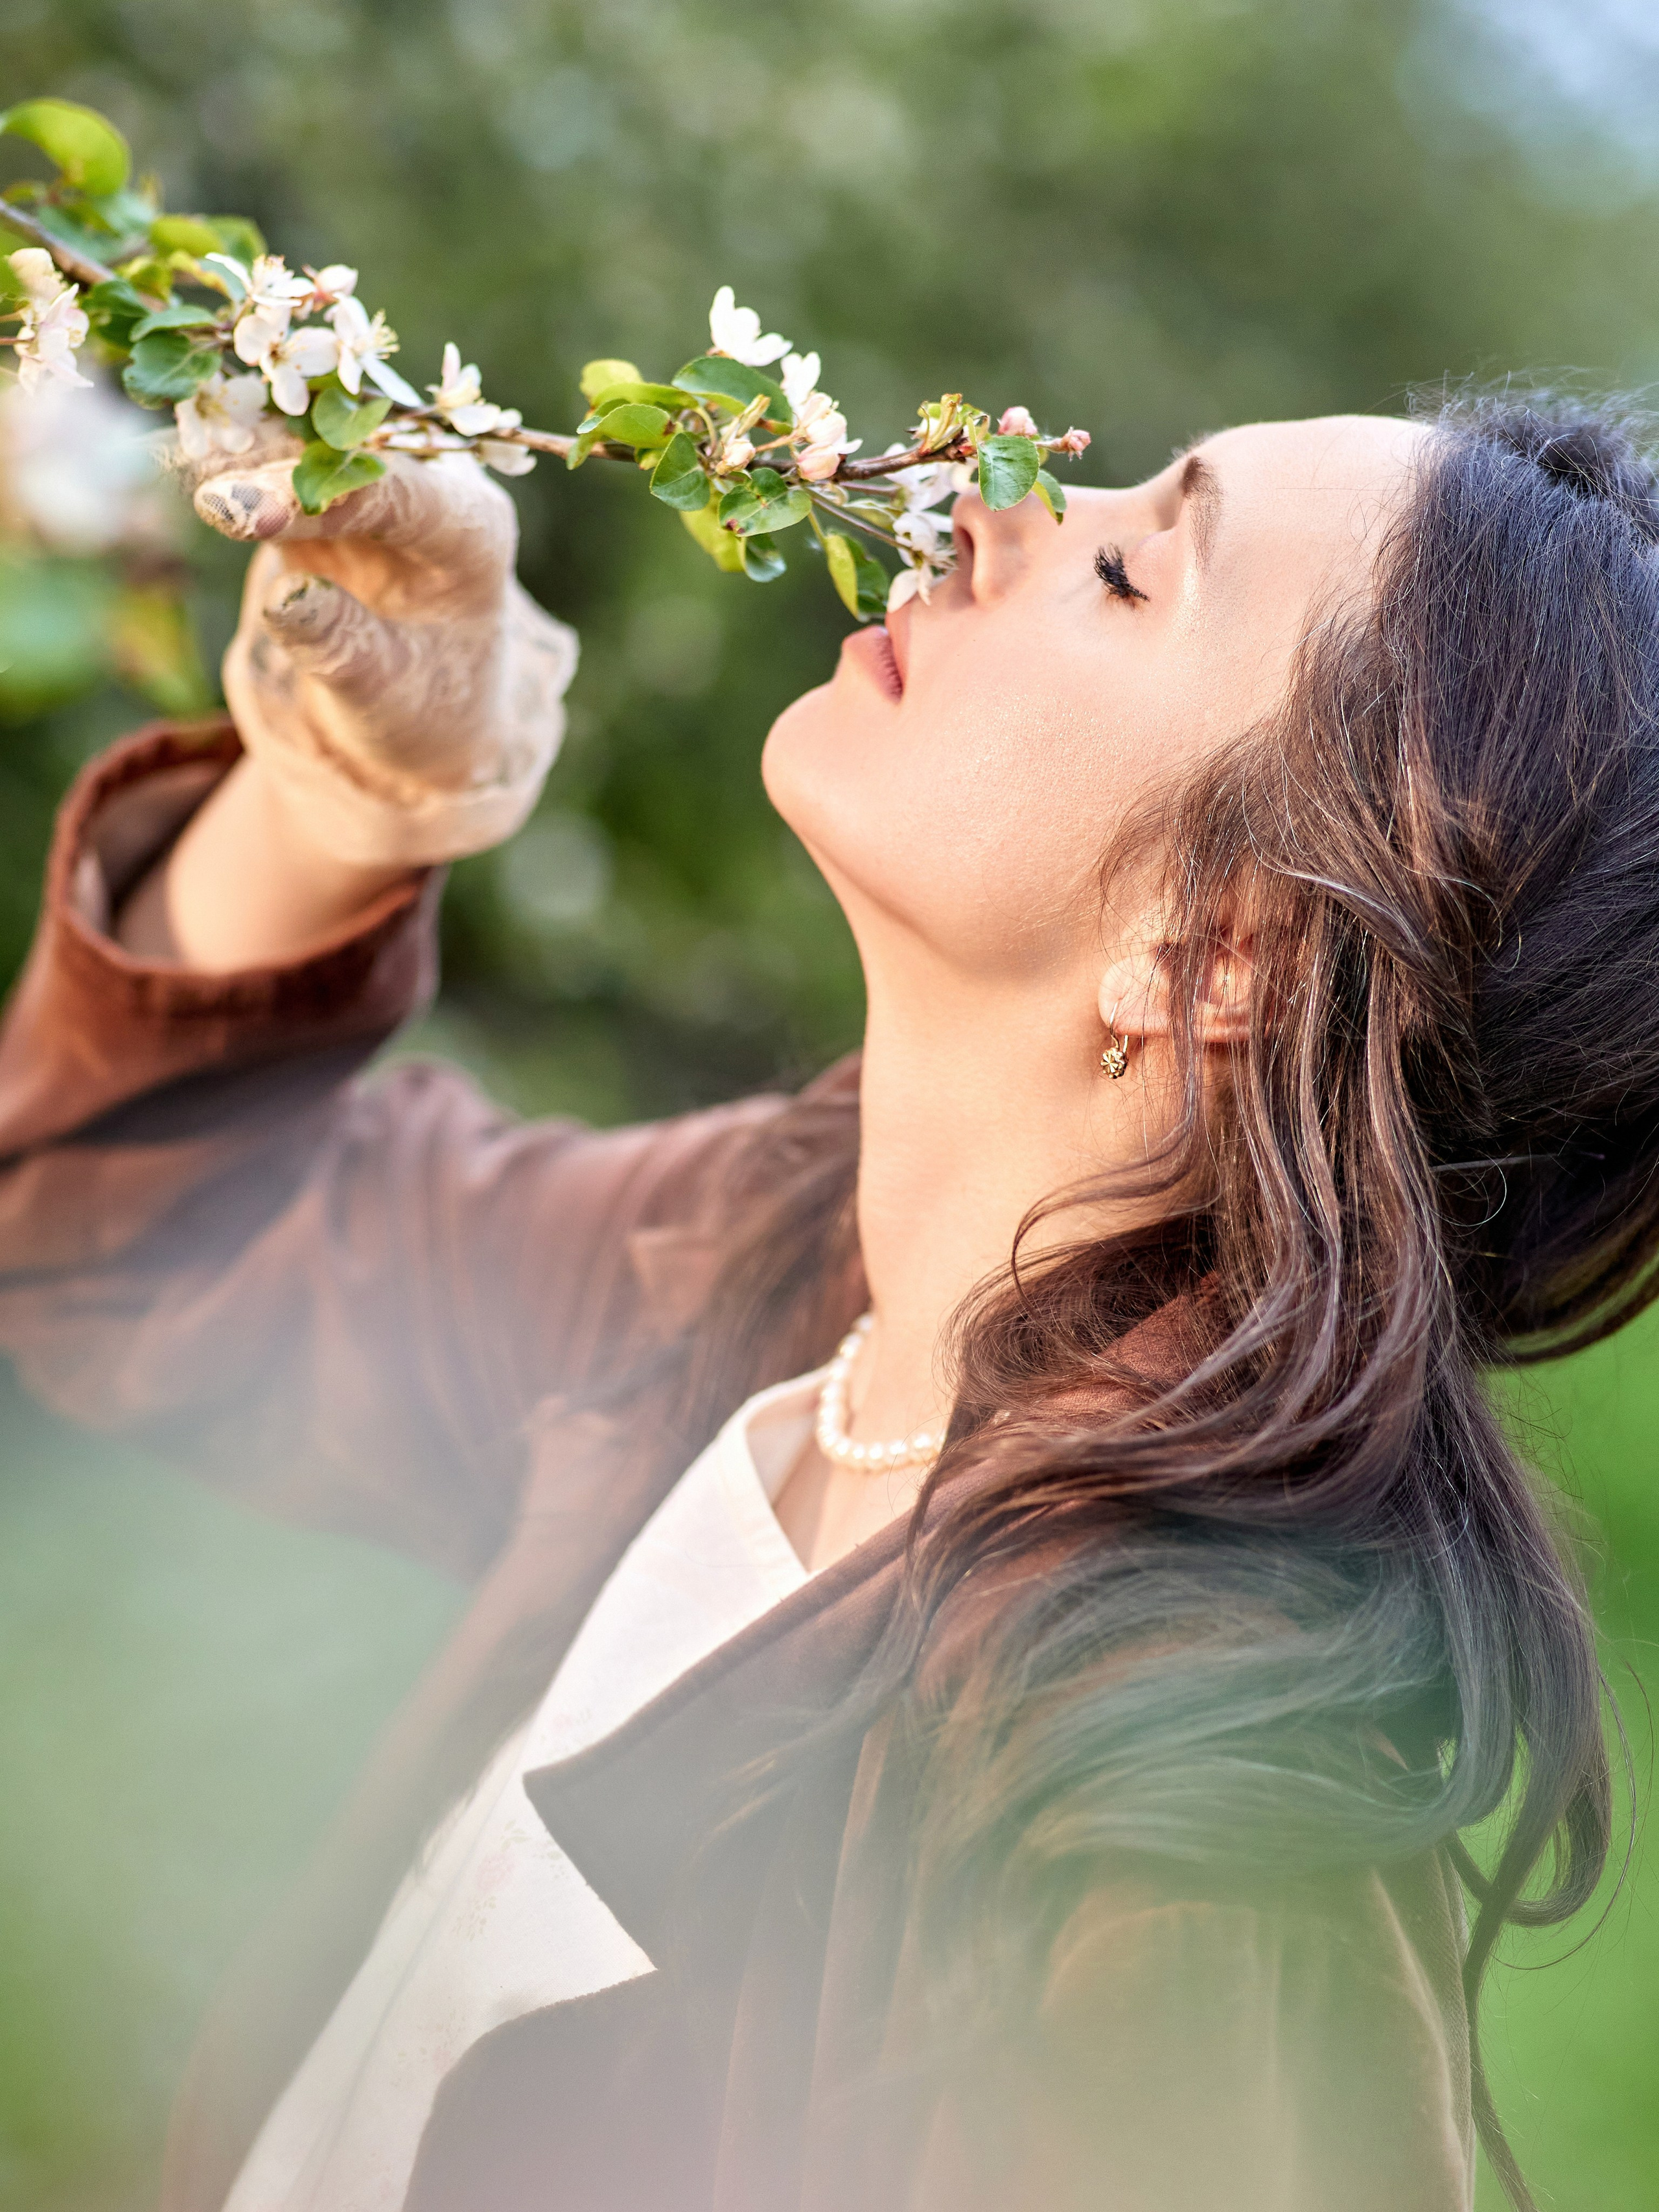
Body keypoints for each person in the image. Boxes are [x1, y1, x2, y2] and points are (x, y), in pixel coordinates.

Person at [0, 391, 1646, 2212]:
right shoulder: (780, 1275)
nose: (985, 501)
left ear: (1219, 949)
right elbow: (135, 1249)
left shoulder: (1172, 1828)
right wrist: (350, 791)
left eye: (1126, 570)